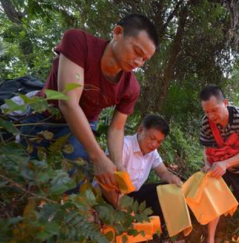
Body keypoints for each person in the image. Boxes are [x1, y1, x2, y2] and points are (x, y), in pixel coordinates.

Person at [20, 14, 159, 193]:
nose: (138, 62)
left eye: (144, 59)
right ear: (117, 32)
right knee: (21, 167)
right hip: (44, 113)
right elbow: (68, 103)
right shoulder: (79, 42)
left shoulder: (131, 87)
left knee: (76, 170)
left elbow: (116, 128)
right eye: (137, 52)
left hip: (84, 124)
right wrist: (98, 157)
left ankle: (66, 211)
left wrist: (117, 163)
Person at [197, 85, 239, 243]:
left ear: (225, 103)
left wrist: (225, 163)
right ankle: (209, 242)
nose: (211, 116)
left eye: (214, 110)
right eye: (207, 112)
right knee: (215, 202)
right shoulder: (206, 122)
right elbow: (207, 150)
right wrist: (208, 164)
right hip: (219, 166)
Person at [99, 114, 182, 226]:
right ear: (140, 129)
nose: (154, 145)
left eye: (159, 142)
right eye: (152, 138)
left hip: (132, 195)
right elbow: (106, 182)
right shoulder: (123, 145)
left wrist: (172, 178)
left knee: (165, 189)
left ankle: (154, 230)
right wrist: (121, 207)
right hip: (108, 193)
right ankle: (128, 221)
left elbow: (163, 172)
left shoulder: (152, 152)